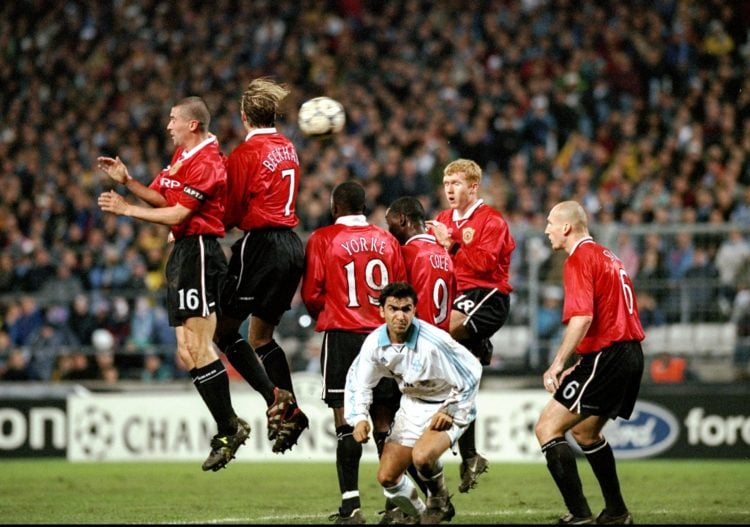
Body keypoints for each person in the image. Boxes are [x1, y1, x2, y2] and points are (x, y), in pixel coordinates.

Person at [96, 96, 249, 472]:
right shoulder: (181, 160)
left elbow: (180, 213)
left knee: (199, 344)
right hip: (182, 253)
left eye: (173, 119)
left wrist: (127, 208)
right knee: (186, 351)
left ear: (192, 124)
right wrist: (128, 182)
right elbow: (162, 197)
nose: (168, 125)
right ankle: (229, 425)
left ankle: (230, 426)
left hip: (199, 250)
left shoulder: (209, 162)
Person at [301, 180, 407, 524]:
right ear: (365, 207)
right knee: (384, 421)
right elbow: (402, 292)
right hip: (382, 338)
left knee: (346, 422)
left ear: (335, 208)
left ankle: (351, 507)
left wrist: (333, 313)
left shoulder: (322, 239)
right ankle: (395, 504)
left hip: (343, 337)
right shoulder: (388, 240)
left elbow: (312, 293)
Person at [213, 77, 309, 453]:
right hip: (290, 245)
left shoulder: (245, 154)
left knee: (223, 331)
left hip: (261, 244)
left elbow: (233, 213)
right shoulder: (288, 148)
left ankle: (275, 400)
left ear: (243, 116)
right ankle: (292, 410)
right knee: (261, 337)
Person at [535, 200, 645, 525]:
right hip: (628, 354)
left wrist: (557, 363)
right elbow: (611, 315)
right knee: (584, 433)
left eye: (550, 223)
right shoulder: (608, 256)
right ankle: (616, 512)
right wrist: (582, 361)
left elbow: (583, 317)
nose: (546, 230)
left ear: (566, 227)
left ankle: (580, 514)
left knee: (546, 428)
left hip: (609, 356)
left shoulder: (579, 258)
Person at [345, 282, 482, 524]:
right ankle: (420, 513)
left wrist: (450, 409)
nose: (400, 316)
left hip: (447, 402)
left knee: (422, 457)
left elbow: (472, 371)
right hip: (412, 405)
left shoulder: (434, 341)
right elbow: (359, 382)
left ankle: (439, 500)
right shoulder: (375, 343)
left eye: (406, 309)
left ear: (414, 310)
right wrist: (359, 419)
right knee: (387, 477)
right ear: (382, 311)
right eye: (393, 309)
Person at [427, 158, 516, 493]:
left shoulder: (491, 220)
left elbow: (485, 264)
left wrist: (451, 243)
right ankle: (470, 456)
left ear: (473, 186)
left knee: (446, 328)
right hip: (454, 297)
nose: (450, 189)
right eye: (447, 183)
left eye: (457, 183)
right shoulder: (442, 219)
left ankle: (478, 340)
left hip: (487, 296)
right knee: (458, 381)